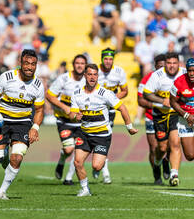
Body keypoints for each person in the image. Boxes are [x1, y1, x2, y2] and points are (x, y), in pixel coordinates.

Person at [0, 49, 45, 200]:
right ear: (20, 63)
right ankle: (5, 151)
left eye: (33, 64)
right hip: (2, 120)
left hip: (22, 123)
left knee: (17, 158)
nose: (29, 67)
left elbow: (39, 109)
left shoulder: (38, 85)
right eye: (27, 63)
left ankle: (2, 191)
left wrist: (35, 127)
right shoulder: (7, 77)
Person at [70, 64, 138, 197]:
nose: (92, 77)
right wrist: (75, 117)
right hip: (84, 133)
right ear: (84, 75)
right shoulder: (77, 94)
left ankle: (99, 167)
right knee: (77, 162)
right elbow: (72, 115)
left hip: (102, 135)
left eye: (95, 74)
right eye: (89, 74)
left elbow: (122, 108)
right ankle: (85, 189)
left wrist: (129, 127)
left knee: (96, 166)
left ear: (98, 76)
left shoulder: (105, 93)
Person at [144, 53, 186, 186]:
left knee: (175, 143)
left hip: (175, 114)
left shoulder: (184, 74)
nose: (171, 66)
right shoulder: (157, 75)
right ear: (165, 64)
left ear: (179, 64)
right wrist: (162, 100)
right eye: (169, 63)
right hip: (160, 116)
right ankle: (157, 164)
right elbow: (147, 93)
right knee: (162, 148)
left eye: (174, 63)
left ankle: (174, 175)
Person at [46, 54, 87, 185]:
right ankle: (62, 159)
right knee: (69, 149)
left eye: (82, 63)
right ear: (73, 65)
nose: (80, 65)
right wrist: (64, 107)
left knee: (78, 150)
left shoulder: (88, 80)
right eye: (77, 63)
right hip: (64, 121)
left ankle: (68, 178)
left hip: (80, 122)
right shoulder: (64, 79)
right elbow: (49, 95)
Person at [137, 54, 170, 184]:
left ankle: (166, 161)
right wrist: (159, 104)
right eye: (160, 66)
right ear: (155, 66)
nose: (162, 69)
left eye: (164, 66)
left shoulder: (171, 78)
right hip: (151, 117)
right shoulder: (146, 80)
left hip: (168, 117)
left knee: (168, 146)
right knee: (153, 147)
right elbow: (140, 101)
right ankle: (157, 175)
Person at [97, 47, 128, 183]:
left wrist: (112, 98)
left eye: (111, 59)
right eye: (106, 59)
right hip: (94, 110)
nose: (108, 62)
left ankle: (105, 170)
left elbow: (125, 90)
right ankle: (98, 163)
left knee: (105, 136)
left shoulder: (119, 72)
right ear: (102, 59)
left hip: (109, 111)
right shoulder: (94, 71)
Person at [170, 58, 194, 164]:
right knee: (189, 155)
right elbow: (172, 102)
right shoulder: (179, 82)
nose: (191, 73)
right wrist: (186, 116)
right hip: (185, 120)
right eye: (189, 70)